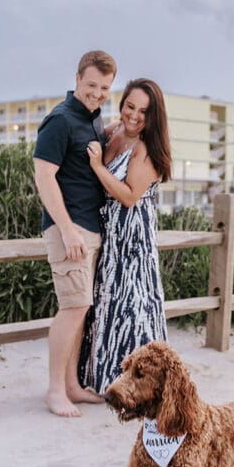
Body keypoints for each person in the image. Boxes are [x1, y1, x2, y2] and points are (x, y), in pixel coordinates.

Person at [32, 50, 117, 417]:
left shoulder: (94, 119)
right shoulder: (61, 120)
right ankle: (54, 390)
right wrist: (66, 230)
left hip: (89, 228)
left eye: (104, 88)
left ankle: (71, 385)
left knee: (82, 309)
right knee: (73, 307)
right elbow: (43, 175)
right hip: (70, 229)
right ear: (78, 79)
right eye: (92, 85)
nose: (97, 93)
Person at [78, 78, 172, 395]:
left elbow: (130, 196)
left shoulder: (146, 149)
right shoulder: (114, 131)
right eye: (130, 106)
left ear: (153, 116)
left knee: (133, 307)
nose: (133, 115)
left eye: (143, 111)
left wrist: (95, 164)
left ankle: (141, 388)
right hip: (111, 236)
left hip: (133, 239)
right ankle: (103, 377)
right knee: (107, 303)